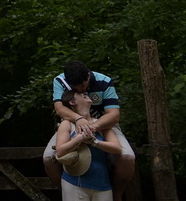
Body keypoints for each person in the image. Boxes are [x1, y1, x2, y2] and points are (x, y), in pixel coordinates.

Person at [43, 61, 135, 201]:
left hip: (104, 125)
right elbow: (60, 109)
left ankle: (117, 195)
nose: (80, 91)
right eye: (75, 88)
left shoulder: (104, 82)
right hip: (70, 123)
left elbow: (114, 114)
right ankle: (67, 191)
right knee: (48, 158)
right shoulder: (60, 81)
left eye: (82, 86)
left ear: (88, 76)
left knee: (128, 157)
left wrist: (91, 128)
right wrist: (79, 119)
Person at [55, 88, 122, 199]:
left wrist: (94, 142)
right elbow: (60, 151)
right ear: (72, 102)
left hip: (102, 183)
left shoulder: (101, 123)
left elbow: (116, 148)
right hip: (74, 182)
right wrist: (80, 138)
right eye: (81, 94)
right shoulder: (67, 124)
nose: (85, 93)